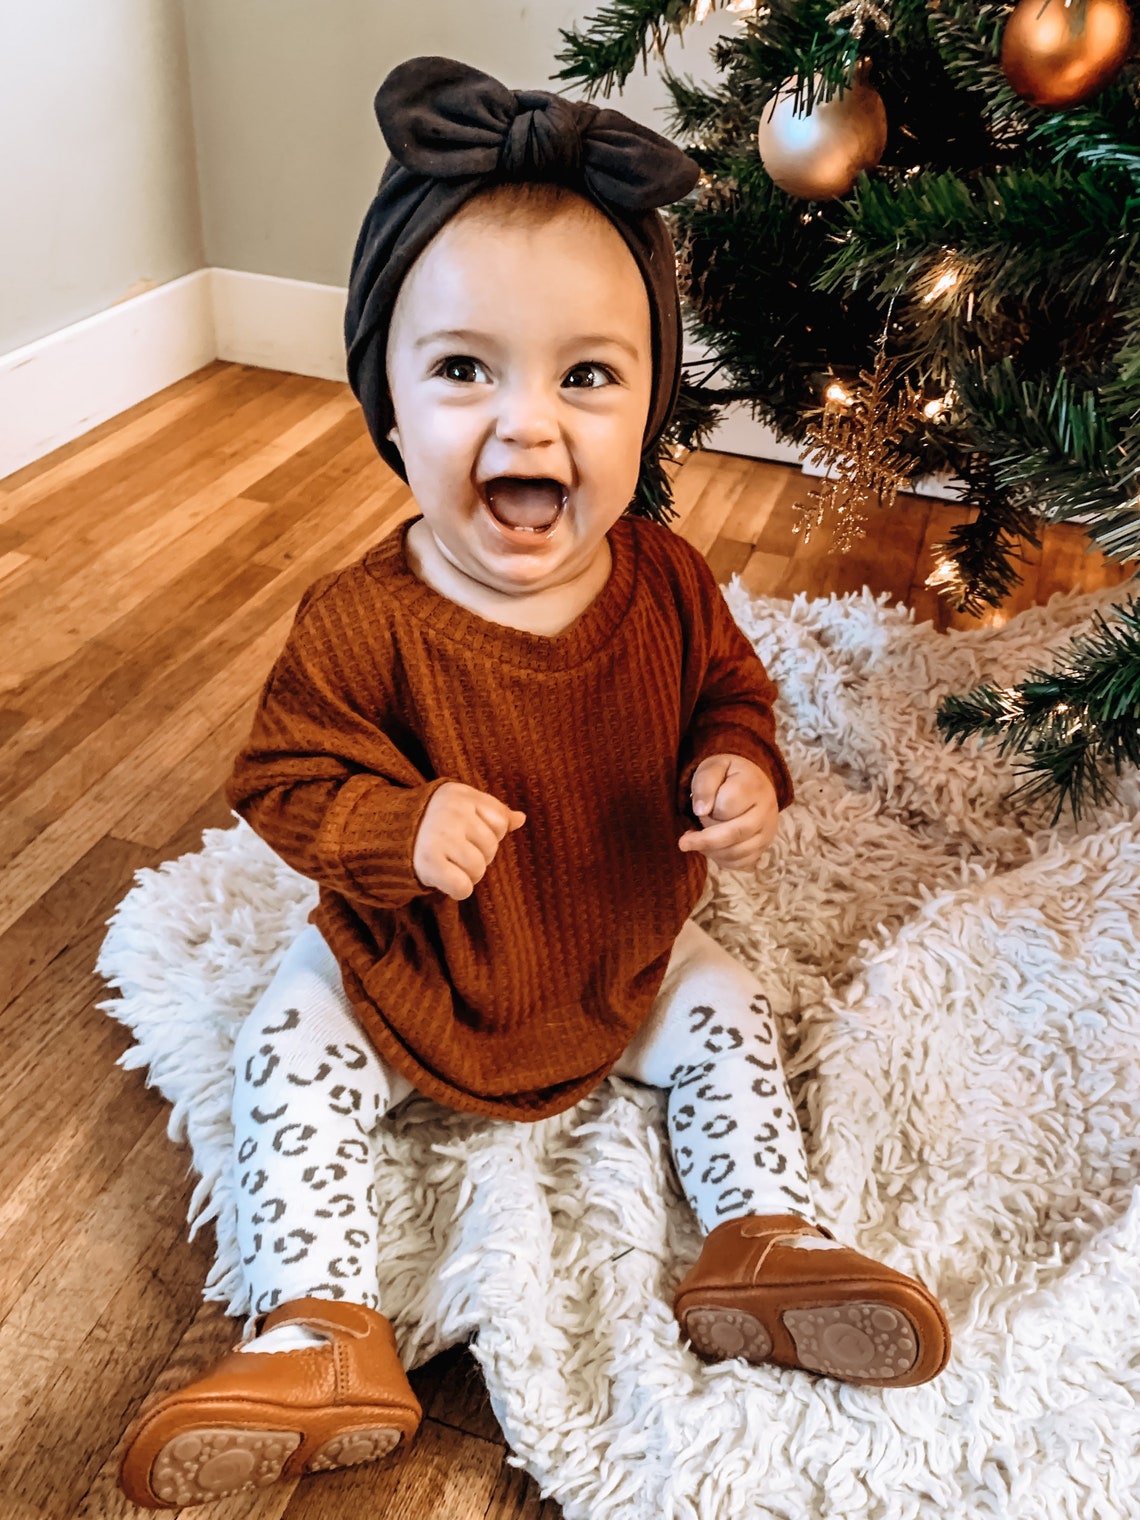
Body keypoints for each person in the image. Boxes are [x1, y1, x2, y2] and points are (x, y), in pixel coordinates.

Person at [118, 54, 950, 1512]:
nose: (529, 426)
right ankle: (322, 1323)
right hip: (413, 967)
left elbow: (732, 695)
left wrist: (736, 768)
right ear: (382, 385)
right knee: (283, 1041)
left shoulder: (669, 582)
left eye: (587, 376)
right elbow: (284, 775)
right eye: (462, 371)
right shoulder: (361, 620)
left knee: (729, 1010)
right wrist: (395, 824)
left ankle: (763, 1234)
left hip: (617, 952)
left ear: (648, 408)